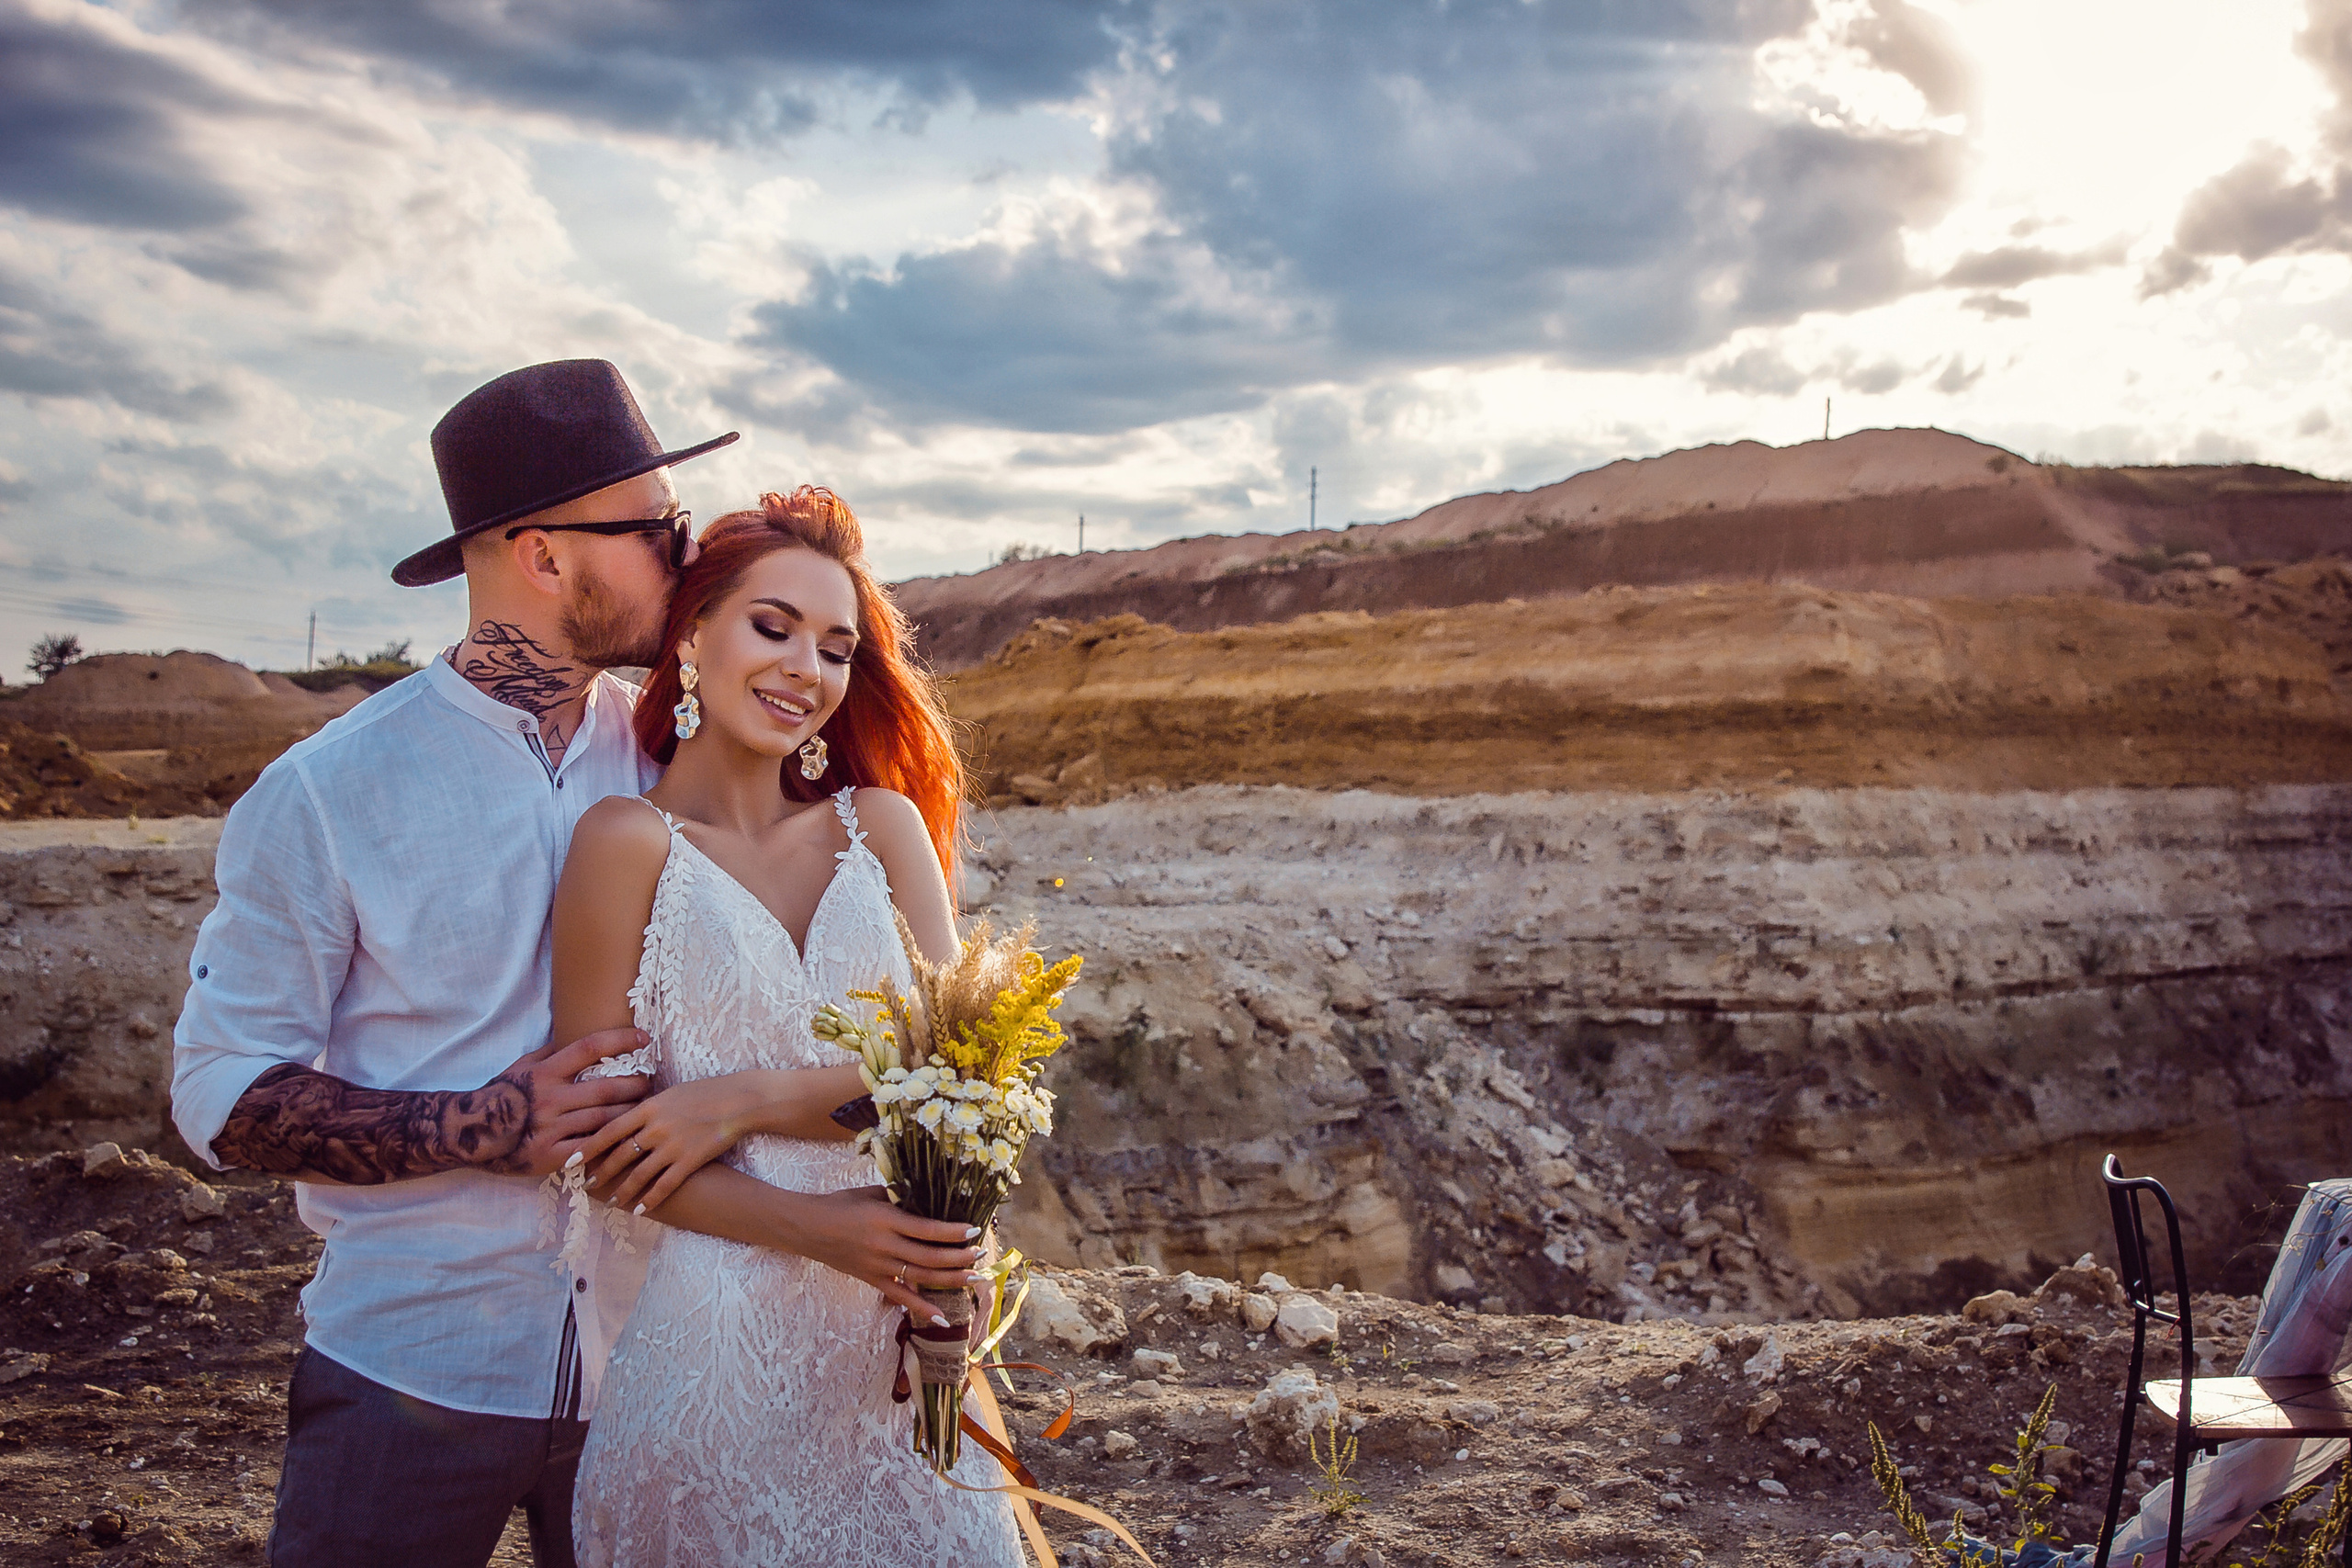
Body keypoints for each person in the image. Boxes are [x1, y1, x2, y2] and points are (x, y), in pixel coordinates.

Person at [168, 361, 975, 1568]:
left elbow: (893, 1020)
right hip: (420, 1364)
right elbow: (218, 1092)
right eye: (658, 527)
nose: (684, 546)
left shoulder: (675, 757)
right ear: (544, 555)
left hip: (675, 1361)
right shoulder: (327, 795)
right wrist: (484, 1119)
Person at [550, 486, 1024, 1566]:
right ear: (691, 636)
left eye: (837, 645)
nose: (806, 668)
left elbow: (965, 1090)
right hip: (713, 1364)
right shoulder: (624, 844)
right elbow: (608, 1151)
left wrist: (739, 1100)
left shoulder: (884, 829)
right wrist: (824, 1228)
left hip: (899, 1348)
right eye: (773, 628)